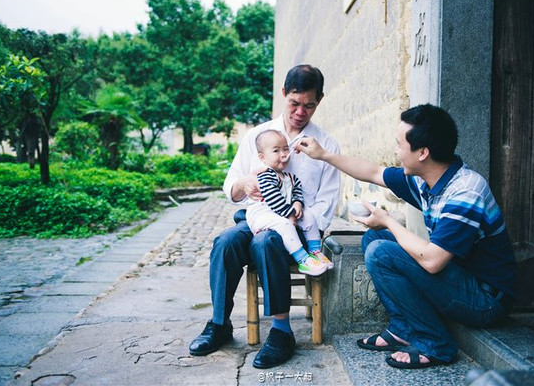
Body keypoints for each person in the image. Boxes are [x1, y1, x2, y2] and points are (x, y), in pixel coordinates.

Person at [295, 103, 516, 369]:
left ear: (423, 152)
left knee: (381, 251)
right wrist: (323, 155)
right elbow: (373, 172)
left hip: (484, 300)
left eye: (400, 145)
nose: (396, 151)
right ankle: (403, 328)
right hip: (459, 278)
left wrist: (388, 220)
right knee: (373, 240)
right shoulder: (429, 179)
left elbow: (433, 261)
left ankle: (435, 343)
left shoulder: (465, 192)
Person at [189, 65, 340, 369]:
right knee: (226, 241)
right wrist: (244, 184)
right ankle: (219, 324)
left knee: (267, 242)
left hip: (297, 229)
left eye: (309, 105)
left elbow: (328, 202)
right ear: (283, 94)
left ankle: (282, 332)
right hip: (255, 217)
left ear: (319, 101)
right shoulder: (258, 136)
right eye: (294, 103)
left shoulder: (326, 145)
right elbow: (231, 187)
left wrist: (299, 215)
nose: (300, 111)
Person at [246, 129, 333, 276]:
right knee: (285, 224)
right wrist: (290, 215)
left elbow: (297, 191)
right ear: (263, 157)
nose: (284, 154)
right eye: (276, 151)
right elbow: (273, 199)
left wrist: (298, 204)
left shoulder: (290, 177)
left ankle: (315, 252)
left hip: (283, 212)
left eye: (286, 149)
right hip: (263, 214)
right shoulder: (265, 176)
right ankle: (303, 260)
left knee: (308, 215)